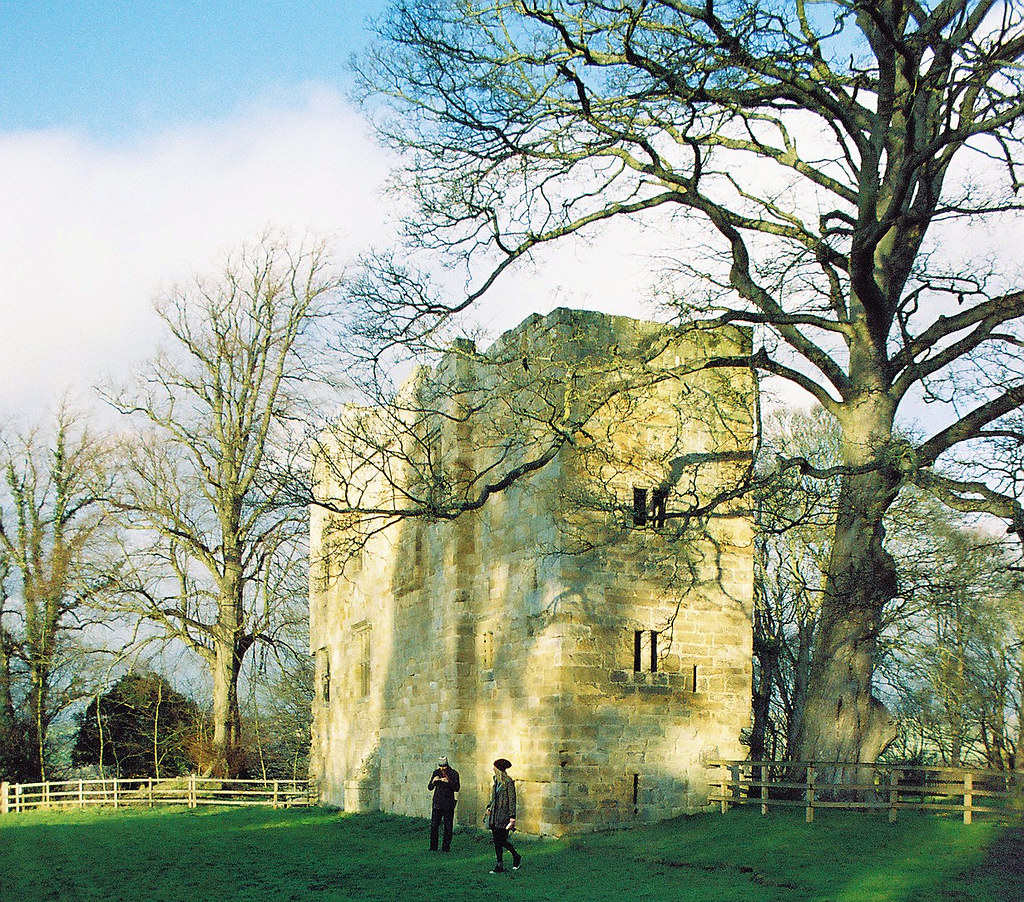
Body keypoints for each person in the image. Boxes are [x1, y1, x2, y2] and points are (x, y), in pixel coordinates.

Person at [485, 758, 521, 873]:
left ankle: (515, 855)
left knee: (502, 841)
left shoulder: (508, 782)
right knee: (497, 841)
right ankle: (499, 864)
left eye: (494, 767)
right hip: (494, 816)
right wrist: (489, 807)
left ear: (499, 769)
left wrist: (512, 816)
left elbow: (512, 800)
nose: (493, 769)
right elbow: (493, 798)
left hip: (504, 816)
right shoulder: (496, 781)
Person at [428, 755, 460, 852]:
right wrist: (433, 782)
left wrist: (448, 782)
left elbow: (457, 788)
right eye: (441, 767)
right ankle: (433, 847)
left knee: (448, 826)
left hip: (448, 804)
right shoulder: (436, 772)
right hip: (437, 803)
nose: (442, 769)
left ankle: (446, 847)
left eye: (444, 767)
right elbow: (430, 787)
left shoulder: (453, 773)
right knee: (434, 826)